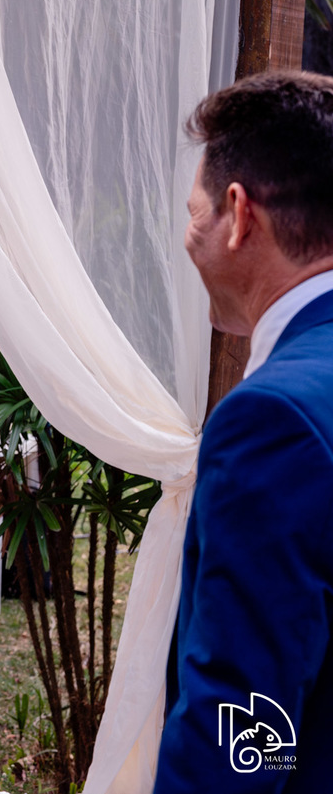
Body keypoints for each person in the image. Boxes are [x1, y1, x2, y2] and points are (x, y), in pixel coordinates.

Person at [153, 70, 333, 793]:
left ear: (237, 213)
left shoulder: (273, 420)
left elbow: (246, 724)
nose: (188, 235)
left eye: (193, 211)